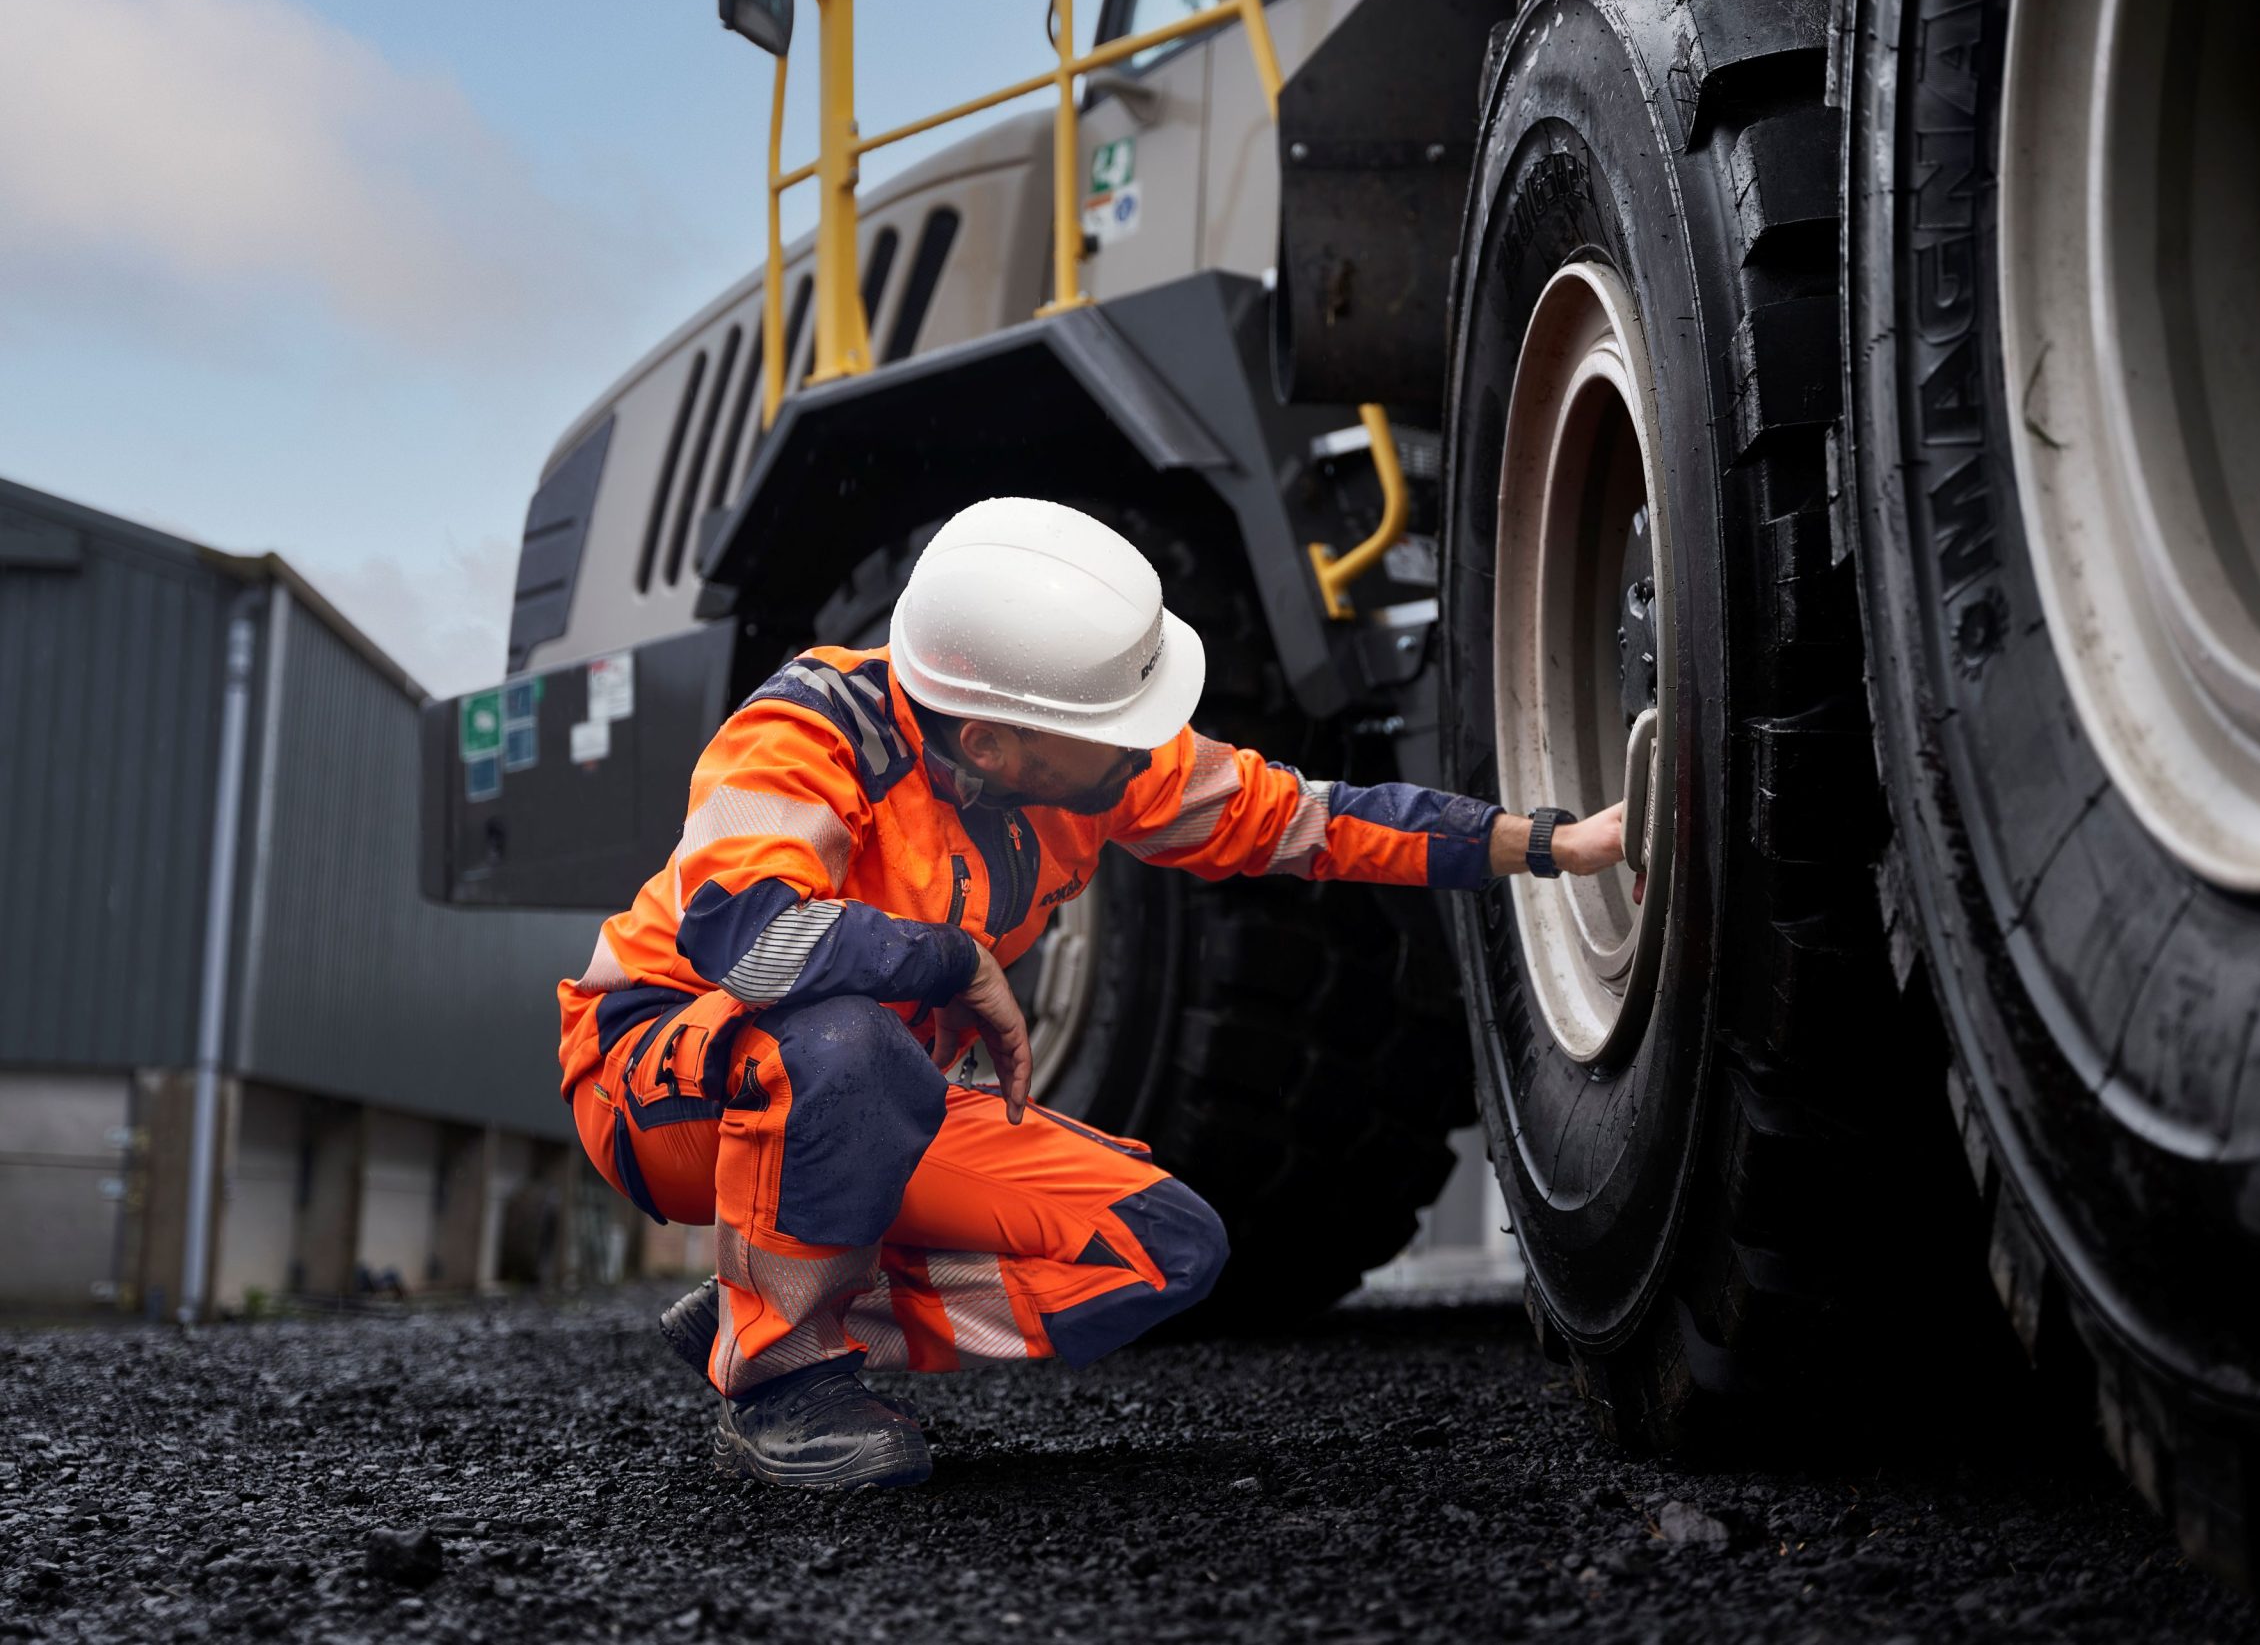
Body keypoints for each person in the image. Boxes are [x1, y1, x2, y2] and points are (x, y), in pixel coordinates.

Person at [558, 497, 1630, 1489]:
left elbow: (1317, 818)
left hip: (863, 1092)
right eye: (1117, 729)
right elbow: (748, 937)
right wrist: (953, 961)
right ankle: (779, 1386)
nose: (1146, 748)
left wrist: (1547, 842)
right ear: (991, 740)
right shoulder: (808, 733)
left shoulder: (1085, 761)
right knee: (845, 1041)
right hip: (661, 1071)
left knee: (1166, 1247)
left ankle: (759, 1309)